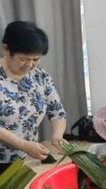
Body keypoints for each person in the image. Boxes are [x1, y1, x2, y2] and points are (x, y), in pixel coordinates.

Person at [0, 21, 66, 173]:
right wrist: (24, 145)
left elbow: (57, 111)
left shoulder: (40, 76)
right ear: (6, 49)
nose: (29, 65)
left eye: (35, 59)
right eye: (23, 59)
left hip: (28, 158)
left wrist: (57, 135)